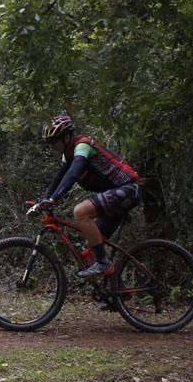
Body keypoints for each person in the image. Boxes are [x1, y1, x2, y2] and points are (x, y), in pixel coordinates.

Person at [31, 115, 140, 278]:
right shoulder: (67, 156)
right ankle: (116, 296)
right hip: (119, 197)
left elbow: (74, 173)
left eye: (54, 141)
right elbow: (58, 179)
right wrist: (42, 201)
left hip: (128, 190)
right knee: (93, 244)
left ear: (67, 137)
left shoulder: (82, 146)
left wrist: (54, 199)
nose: (51, 146)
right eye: (49, 143)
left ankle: (103, 264)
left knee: (80, 212)